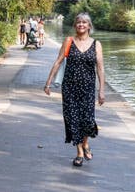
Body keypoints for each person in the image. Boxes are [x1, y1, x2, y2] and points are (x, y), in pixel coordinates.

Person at [43, 12, 105, 167]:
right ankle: (79, 152)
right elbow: (58, 62)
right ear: (75, 25)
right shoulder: (68, 41)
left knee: (88, 120)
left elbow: (100, 68)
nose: (81, 25)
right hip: (69, 87)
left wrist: (101, 90)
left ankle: (85, 143)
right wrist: (48, 82)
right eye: (78, 22)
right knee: (72, 119)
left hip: (88, 88)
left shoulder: (96, 44)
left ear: (89, 26)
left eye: (84, 22)